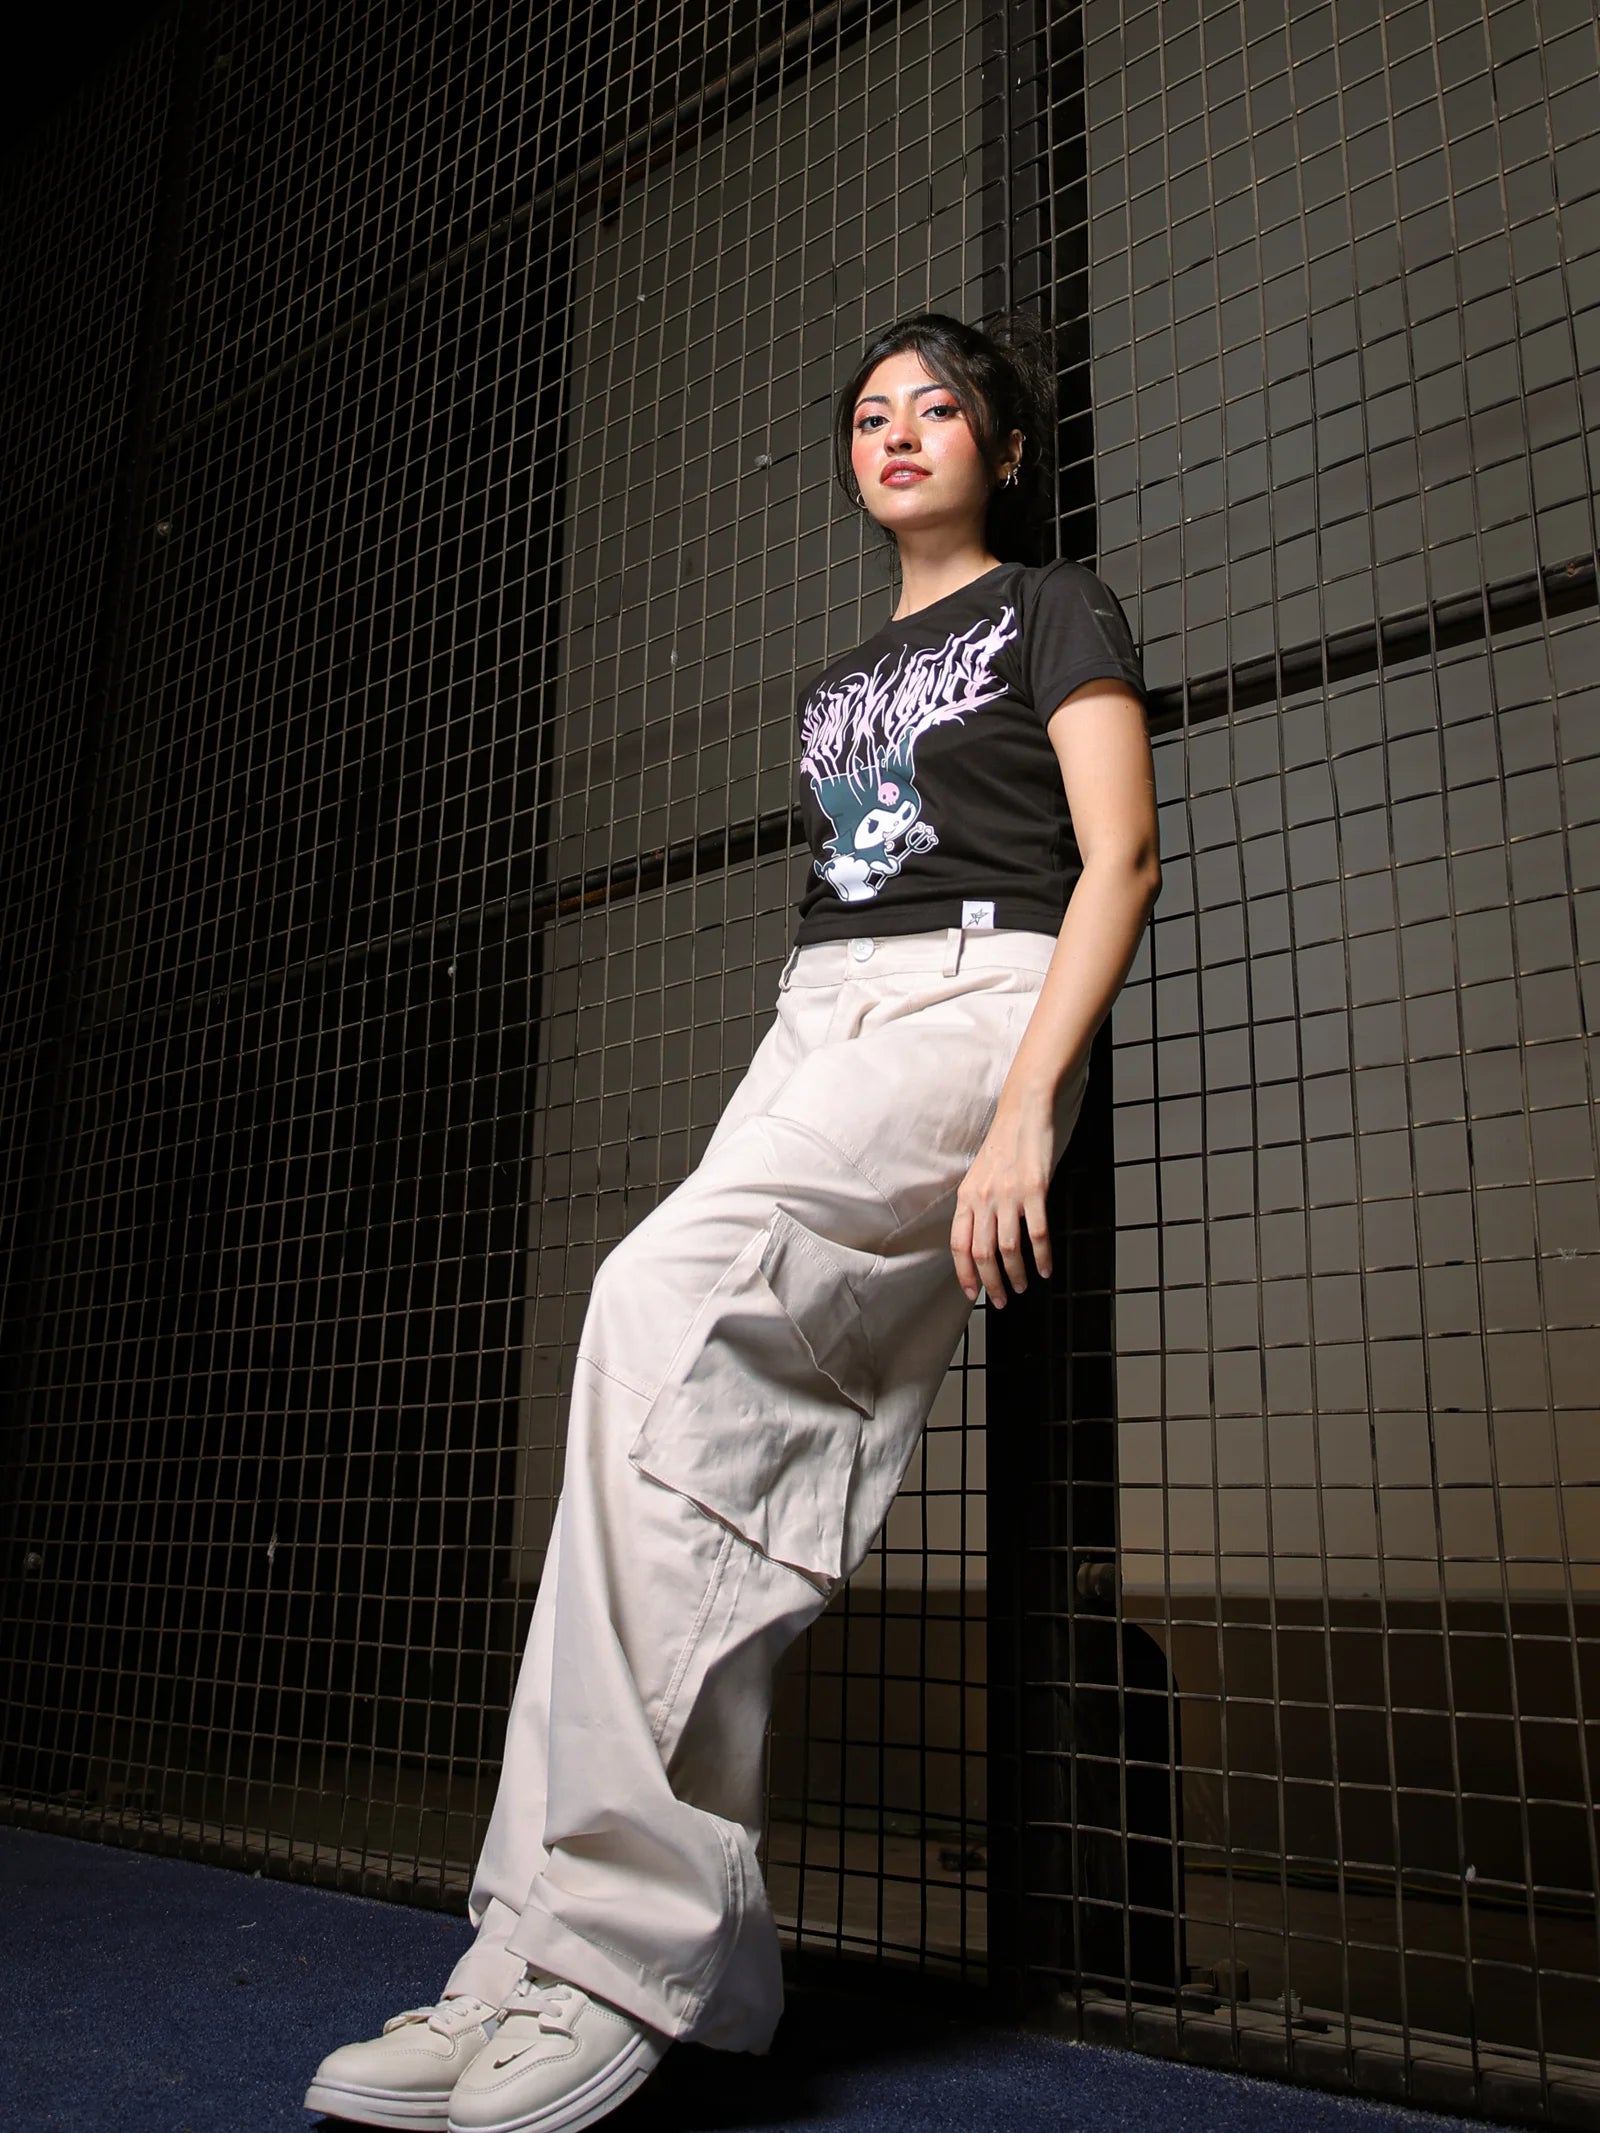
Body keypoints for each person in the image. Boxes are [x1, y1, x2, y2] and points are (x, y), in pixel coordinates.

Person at [305, 311, 1160, 2133]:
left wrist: (1029, 1101)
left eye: (940, 407)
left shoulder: (1054, 607)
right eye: (871, 413)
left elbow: (1122, 855)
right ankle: (529, 1937)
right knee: (637, 1386)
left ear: (1004, 448)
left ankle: (633, 1951)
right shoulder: (840, 678)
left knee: (652, 1293)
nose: (898, 431)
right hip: (818, 1011)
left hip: (976, 997)